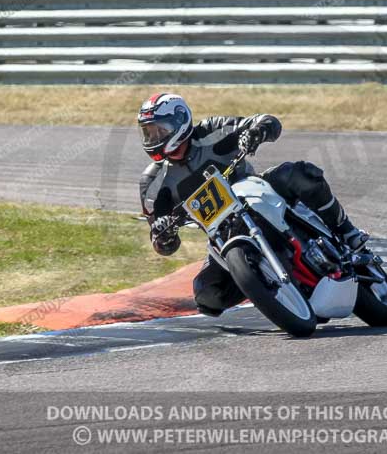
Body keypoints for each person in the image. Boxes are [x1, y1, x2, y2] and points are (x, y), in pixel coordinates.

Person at [137, 92, 368, 317]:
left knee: (298, 174)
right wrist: (164, 234)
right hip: (222, 232)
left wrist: (256, 132)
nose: (153, 138)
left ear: (180, 121)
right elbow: (163, 243)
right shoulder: (153, 182)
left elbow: (268, 121)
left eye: (160, 130)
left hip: (257, 192)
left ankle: (347, 232)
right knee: (207, 296)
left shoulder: (211, 131)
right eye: (148, 132)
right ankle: (266, 289)